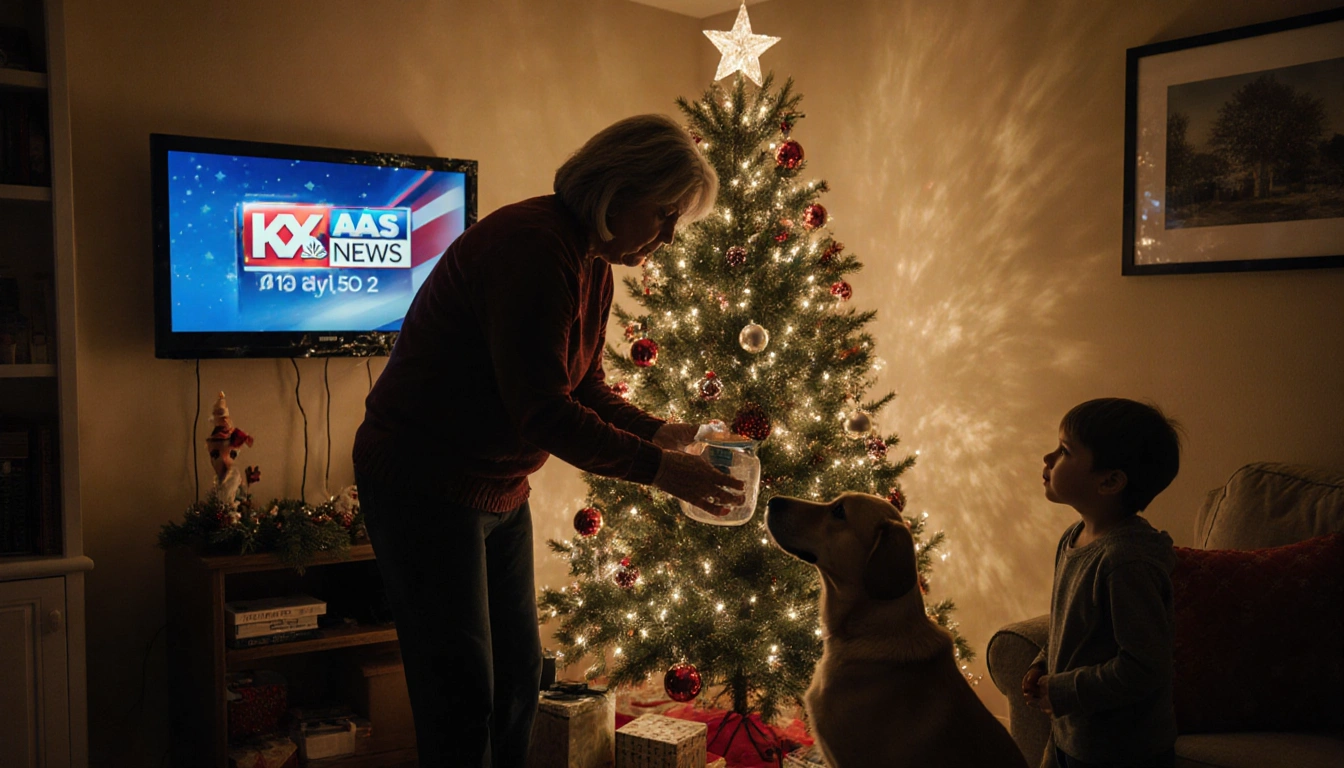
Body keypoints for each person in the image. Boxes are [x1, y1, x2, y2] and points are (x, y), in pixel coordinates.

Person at [352, 114, 745, 768]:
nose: (669, 236)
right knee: (461, 693)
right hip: (423, 482)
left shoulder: (592, 260)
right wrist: (663, 472)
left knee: (517, 680)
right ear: (618, 189)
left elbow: (581, 384)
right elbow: (544, 414)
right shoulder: (534, 248)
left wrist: (661, 433)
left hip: (498, 485)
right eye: (665, 214)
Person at [1022, 398, 1183, 768]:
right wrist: (1042, 664)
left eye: (1064, 451)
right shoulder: (1073, 537)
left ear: (1110, 481)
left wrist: (1061, 691)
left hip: (1121, 752)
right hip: (1071, 735)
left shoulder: (1125, 562)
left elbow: (1143, 668)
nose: (1048, 458)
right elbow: (1071, 626)